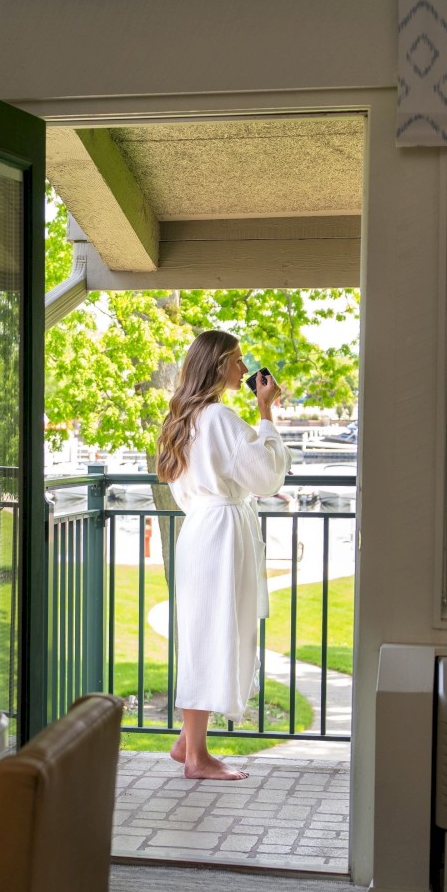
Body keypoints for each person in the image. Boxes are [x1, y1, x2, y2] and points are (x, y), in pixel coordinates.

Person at [154, 330, 291, 780]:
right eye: (235, 360)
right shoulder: (218, 417)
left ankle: (186, 743)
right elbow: (267, 476)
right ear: (217, 366)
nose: (243, 368)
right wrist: (266, 411)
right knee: (214, 636)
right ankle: (197, 758)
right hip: (220, 535)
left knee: (202, 635)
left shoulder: (184, 417)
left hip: (199, 529)